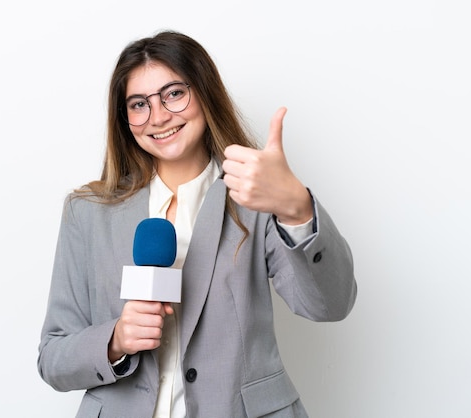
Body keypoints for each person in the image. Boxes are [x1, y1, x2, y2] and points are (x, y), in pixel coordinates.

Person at [37, 30, 357, 418]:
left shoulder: (255, 198)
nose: (158, 117)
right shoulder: (88, 212)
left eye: (173, 94)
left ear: (205, 93)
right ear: (125, 118)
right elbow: (53, 357)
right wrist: (115, 340)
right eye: (139, 104)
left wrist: (296, 208)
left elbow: (330, 305)